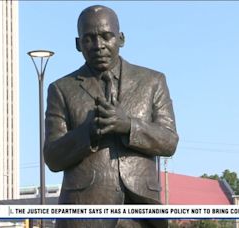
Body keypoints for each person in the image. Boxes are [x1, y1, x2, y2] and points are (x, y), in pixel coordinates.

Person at [44, 5, 179, 228]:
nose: (98, 46)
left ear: (121, 38)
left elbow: (169, 141)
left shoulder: (153, 81)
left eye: (106, 36)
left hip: (141, 212)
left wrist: (129, 126)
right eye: (88, 39)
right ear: (78, 44)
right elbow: (52, 157)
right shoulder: (61, 89)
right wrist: (88, 133)